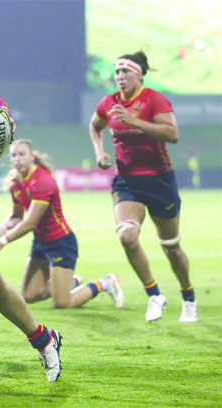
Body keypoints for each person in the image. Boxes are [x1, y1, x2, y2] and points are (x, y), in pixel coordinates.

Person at [89, 51, 196, 322]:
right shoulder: (108, 102)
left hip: (159, 180)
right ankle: (154, 294)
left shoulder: (154, 100)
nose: (120, 77)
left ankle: (188, 297)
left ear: (139, 75)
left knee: (171, 247)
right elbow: (95, 126)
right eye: (116, 72)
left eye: (125, 72)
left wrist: (134, 121)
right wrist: (99, 153)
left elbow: (173, 134)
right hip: (126, 181)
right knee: (127, 236)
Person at [0, 140, 124, 309]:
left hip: (60, 243)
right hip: (40, 243)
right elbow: (17, 216)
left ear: (32, 157)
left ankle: (105, 283)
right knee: (29, 295)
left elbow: (31, 222)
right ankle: (69, 283)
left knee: (63, 304)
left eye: (22, 154)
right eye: (14, 155)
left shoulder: (42, 180)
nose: (17, 159)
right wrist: (7, 223)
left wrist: (2, 242)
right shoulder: (16, 182)